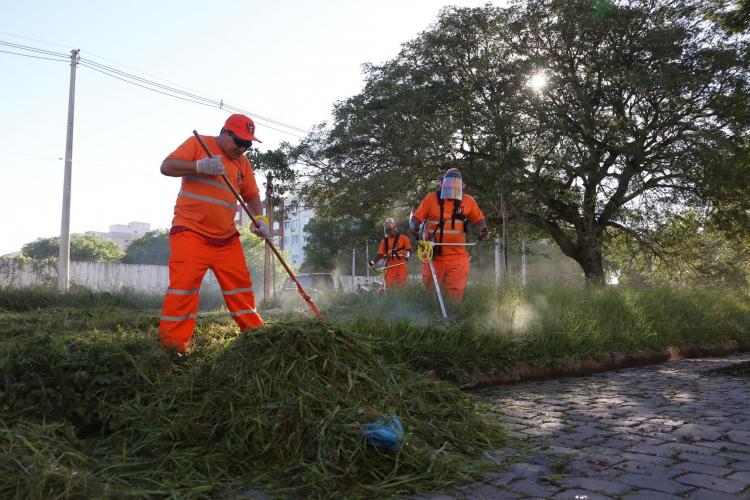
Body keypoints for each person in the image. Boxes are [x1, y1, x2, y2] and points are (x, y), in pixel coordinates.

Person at [158, 114, 270, 353]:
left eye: (248, 144)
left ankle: (256, 339)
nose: (242, 148)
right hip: (190, 233)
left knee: (241, 291)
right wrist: (198, 166)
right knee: (183, 290)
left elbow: (251, 195)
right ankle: (173, 349)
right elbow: (166, 167)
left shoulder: (243, 165)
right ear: (225, 132)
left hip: (226, 239)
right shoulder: (198, 145)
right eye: (239, 141)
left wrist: (259, 219)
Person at [409, 167, 488, 302]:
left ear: (462, 186)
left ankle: (454, 318)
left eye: (455, 185)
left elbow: (480, 220)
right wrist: (414, 226)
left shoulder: (468, 201)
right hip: (434, 256)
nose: (452, 188)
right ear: (441, 184)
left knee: (455, 295)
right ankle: (432, 318)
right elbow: (415, 219)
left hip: (458, 257)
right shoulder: (430, 199)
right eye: (449, 184)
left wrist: (483, 229)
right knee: (431, 293)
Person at [368, 218, 412, 293]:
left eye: (389, 230)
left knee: (401, 285)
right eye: (387, 230)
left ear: (395, 228)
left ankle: (402, 299)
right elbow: (379, 254)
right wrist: (373, 262)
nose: (388, 232)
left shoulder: (403, 238)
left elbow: (408, 250)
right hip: (390, 266)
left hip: (401, 265)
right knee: (388, 286)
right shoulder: (384, 241)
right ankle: (389, 300)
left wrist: (408, 253)